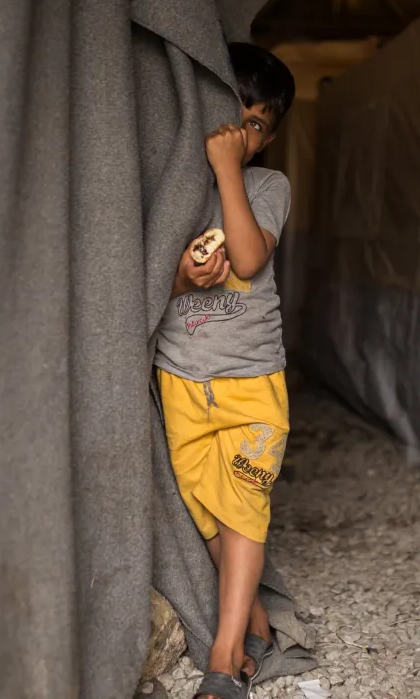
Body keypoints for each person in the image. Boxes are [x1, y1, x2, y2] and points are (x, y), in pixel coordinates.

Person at [154, 42, 296, 699]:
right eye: (232, 115)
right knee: (209, 515)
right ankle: (258, 629)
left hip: (249, 384)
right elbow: (155, 290)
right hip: (182, 380)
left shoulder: (268, 186)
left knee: (243, 511)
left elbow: (246, 258)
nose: (240, 132)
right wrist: (182, 277)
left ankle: (223, 658)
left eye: (257, 124)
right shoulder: (172, 186)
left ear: (268, 138)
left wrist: (229, 170)